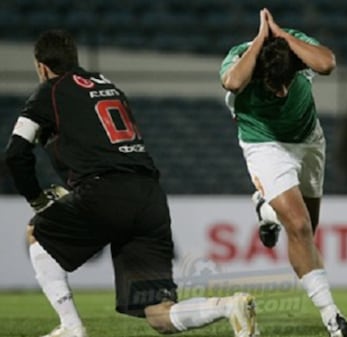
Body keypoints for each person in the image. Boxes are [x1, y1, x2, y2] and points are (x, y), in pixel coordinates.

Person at [5, 29, 257, 337]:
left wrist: (37, 199)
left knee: (36, 233)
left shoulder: (50, 91)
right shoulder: (108, 85)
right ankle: (229, 307)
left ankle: (71, 327)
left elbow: (15, 153)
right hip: (149, 196)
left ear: (41, 67)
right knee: (159, 315)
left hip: (104, 191)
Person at [220, 8, 347, 337]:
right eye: (272, 85)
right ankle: (332, 317)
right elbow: (232, 81)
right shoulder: (241, 60)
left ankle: (265, 208)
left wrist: (281, 34)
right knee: (298, 225)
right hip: (265, 146)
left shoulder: (293, 50)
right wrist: (259, 39)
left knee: (310, 226)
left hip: (309, 140)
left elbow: (326, 64)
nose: (280, 91)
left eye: (286, 83)